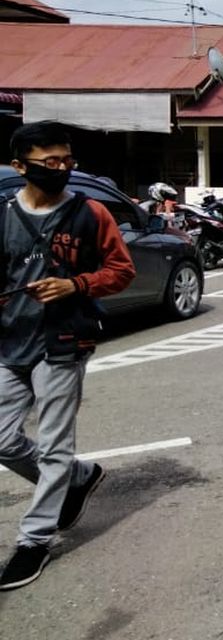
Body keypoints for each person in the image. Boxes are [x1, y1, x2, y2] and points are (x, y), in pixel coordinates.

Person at [0, 121, 136, 591]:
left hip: (64, 342)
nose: (61, 170)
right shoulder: (2, 215)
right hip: (10, 342)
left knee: (55, 445)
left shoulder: (91, 213)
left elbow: (121, 270)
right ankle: (77, 479)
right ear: (21, 167)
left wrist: (76, 284)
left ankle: (33, 540)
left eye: (67, 161)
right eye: (49, 163)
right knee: (2, 439)